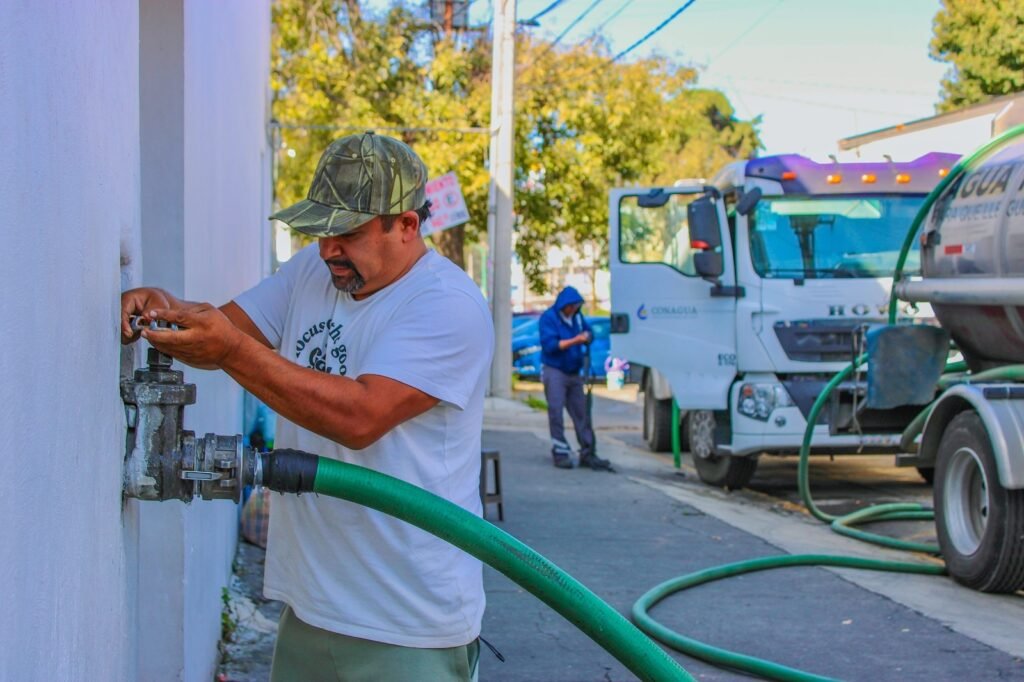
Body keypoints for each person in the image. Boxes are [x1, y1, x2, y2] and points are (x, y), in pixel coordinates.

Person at [120, 132, 493, 682]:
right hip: (311, 604)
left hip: (407, 623)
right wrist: (166, 314)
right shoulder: (312, 273)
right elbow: (225, 333)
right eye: (320, 230)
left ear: (407, 226)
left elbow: (359, 418)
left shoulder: (447, 305)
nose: (327, 248)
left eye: (347, 232)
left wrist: (227, 347)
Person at [538, 287, 611, 470]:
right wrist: (576, 341)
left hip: (574, 372)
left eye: (576, 306)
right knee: (556, 411)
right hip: (555, 370)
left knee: (582, 412)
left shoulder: (577, 318)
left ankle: (587, 451)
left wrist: (588, 337)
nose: (573, 309)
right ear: (564, 305)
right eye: (571, 306)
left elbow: (588, 332)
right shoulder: (549, 318)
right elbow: (550, 345)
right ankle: (560, 451)